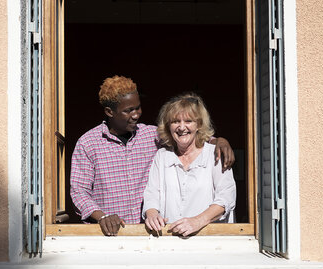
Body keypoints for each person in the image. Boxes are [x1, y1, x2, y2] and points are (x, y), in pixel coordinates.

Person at [70, 76, 234, 236]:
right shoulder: (88, 144)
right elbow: (79, 191)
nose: (136, 114)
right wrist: (102, 216)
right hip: (110, 233)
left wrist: (220, 140)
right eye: (128, 111)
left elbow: (187, 136)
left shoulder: (150, 135)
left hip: (146, 233)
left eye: (138, 108)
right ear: (109, 112)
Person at [143, 93, 236, 236]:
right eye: (175, 121)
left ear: (198, 124)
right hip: (170, 239)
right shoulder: (162, 156)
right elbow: (152, 193)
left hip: (210, 239)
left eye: (188, 121)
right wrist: (152, 213)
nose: (181, 127)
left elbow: (226, 198)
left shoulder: (214, 154)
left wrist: (197, 221)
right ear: (168, 126)